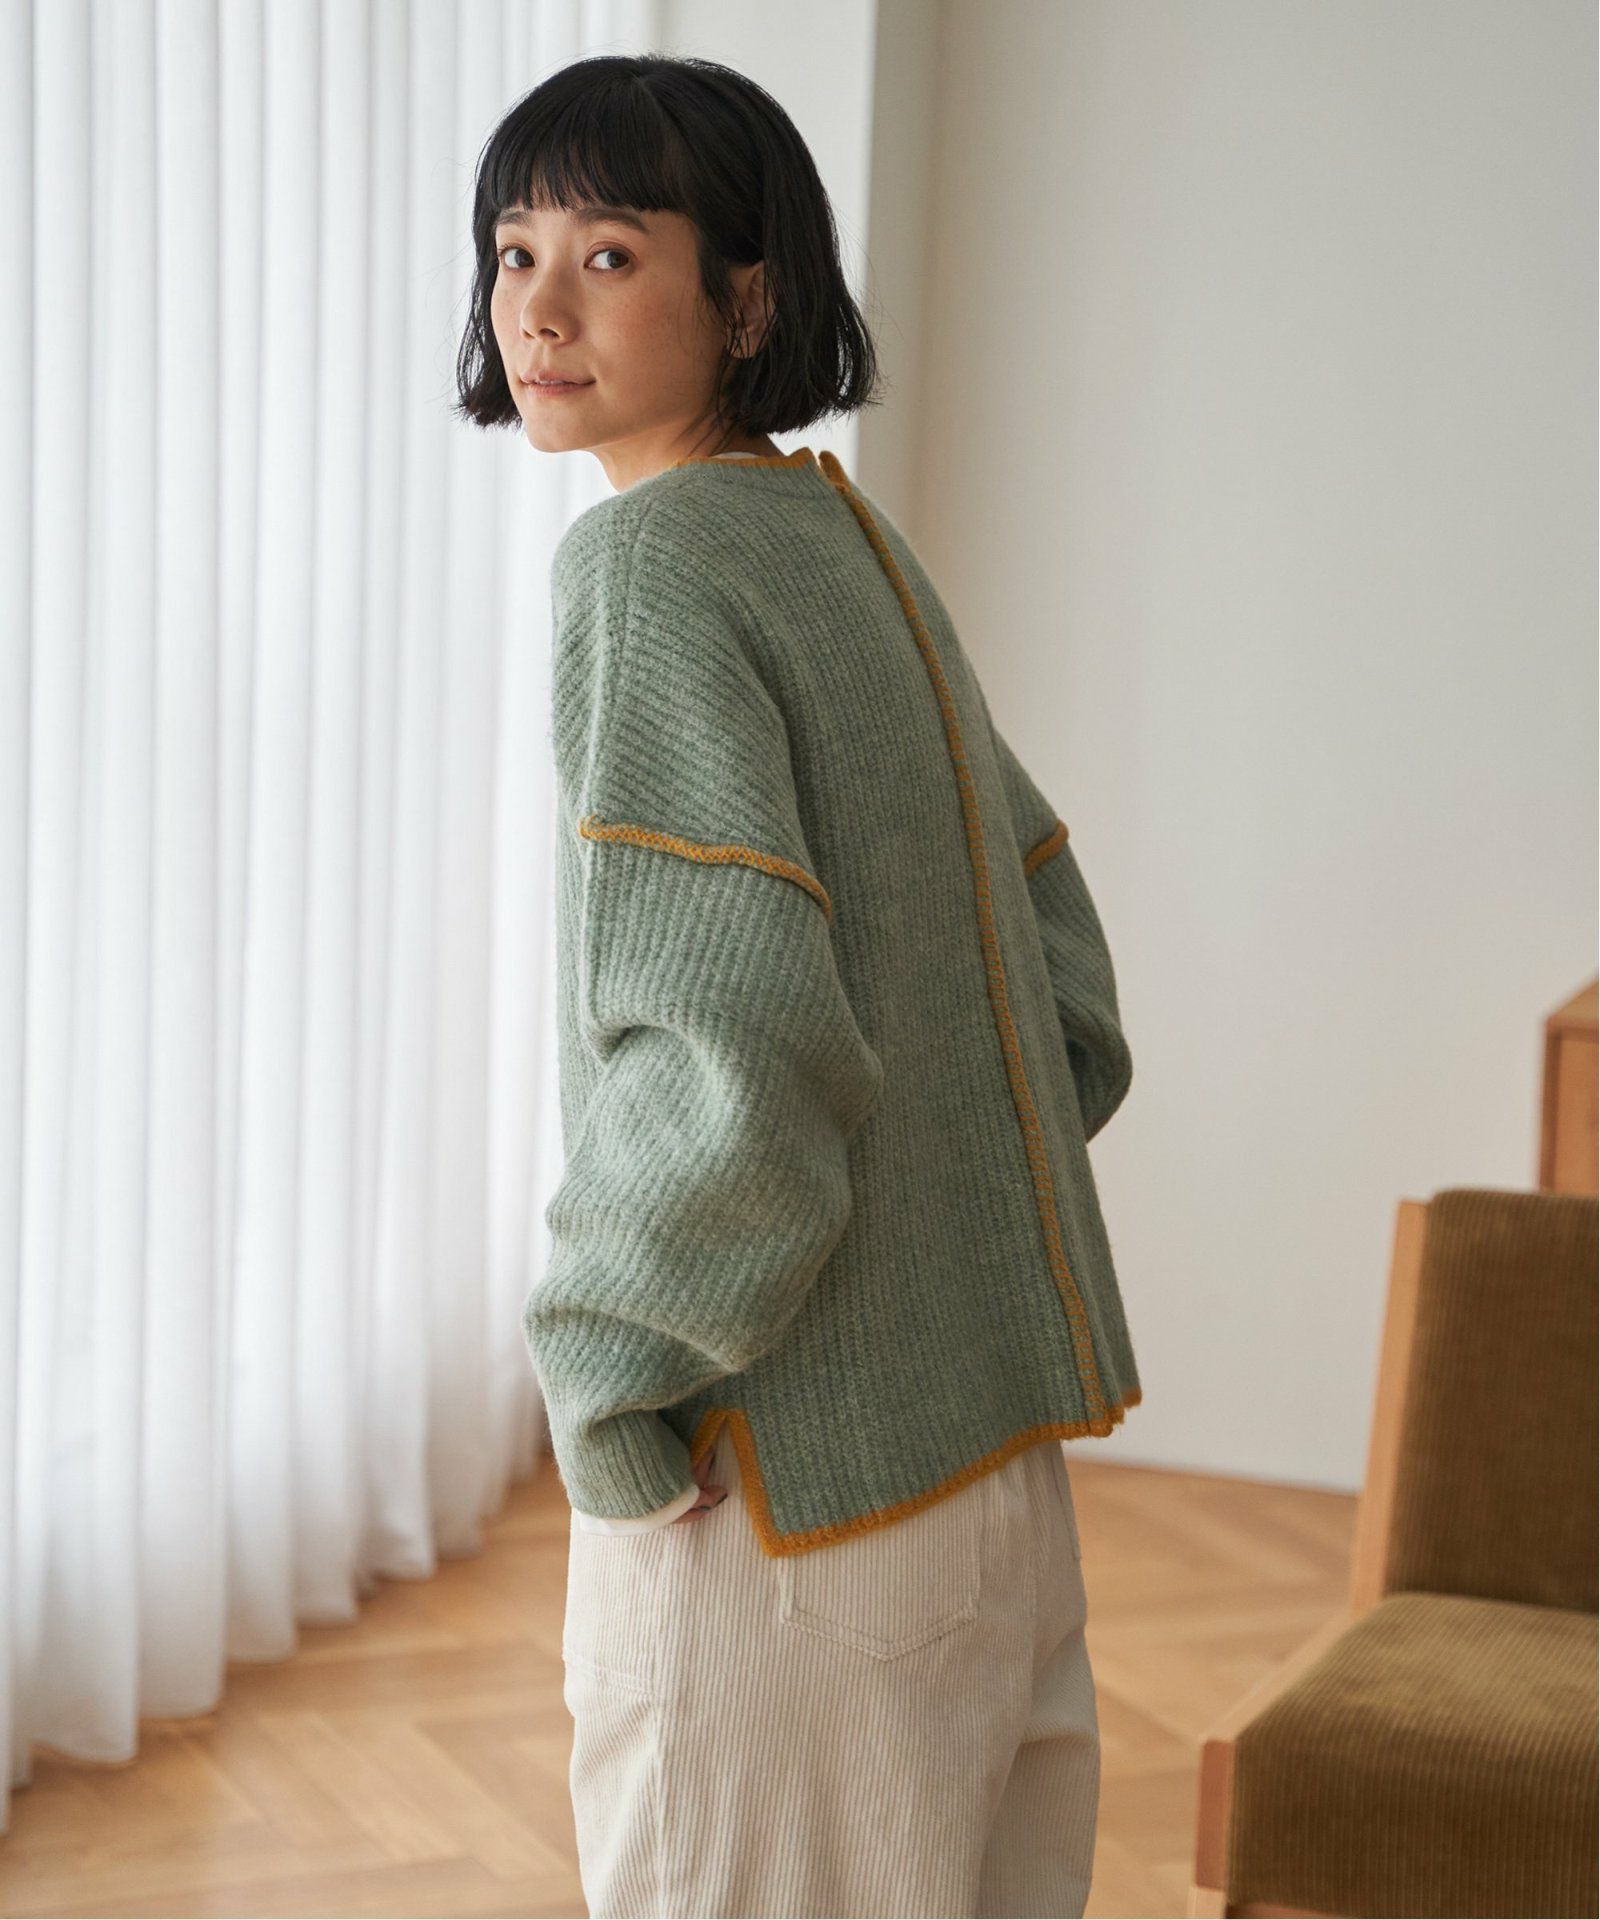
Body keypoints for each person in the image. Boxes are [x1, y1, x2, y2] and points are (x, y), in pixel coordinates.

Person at [455, 50, 1140, 1920]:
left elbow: (729, 1042)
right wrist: (930, 1213)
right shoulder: (848, 541)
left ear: (748, 298)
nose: (538, 306)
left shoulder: (651, 567)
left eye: (609, 253)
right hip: (990, 1488)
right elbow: (1058, 982)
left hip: (785, 1499)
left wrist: (612, 1377)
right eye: (515, 251)